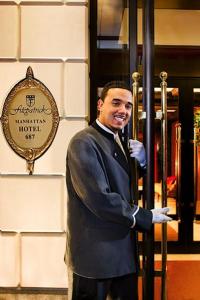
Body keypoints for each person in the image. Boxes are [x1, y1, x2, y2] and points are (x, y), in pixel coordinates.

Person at [65, 81, 172, 300]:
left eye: (128, 106)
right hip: (95, 257)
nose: (123, 110)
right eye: (116, 103)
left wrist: (141, 162)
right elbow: (99, 198)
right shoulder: (83, 141)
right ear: (100, 105)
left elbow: (122, 184)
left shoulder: (118, 140)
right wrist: (144, 216)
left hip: (122, 253)